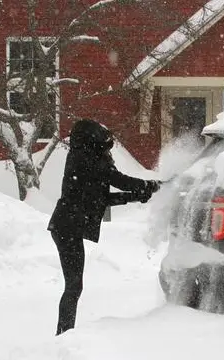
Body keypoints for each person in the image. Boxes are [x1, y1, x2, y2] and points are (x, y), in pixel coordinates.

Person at [47, 119, 159, 335]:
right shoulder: (84, 160)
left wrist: (136, 196)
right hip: (66, 227)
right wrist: (148, 186)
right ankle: (63, 335)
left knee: (74, 286)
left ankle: (64, 332)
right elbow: (118, 179)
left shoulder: (87, 159)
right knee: (74, 286)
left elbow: (102, 198)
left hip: (67, 226)